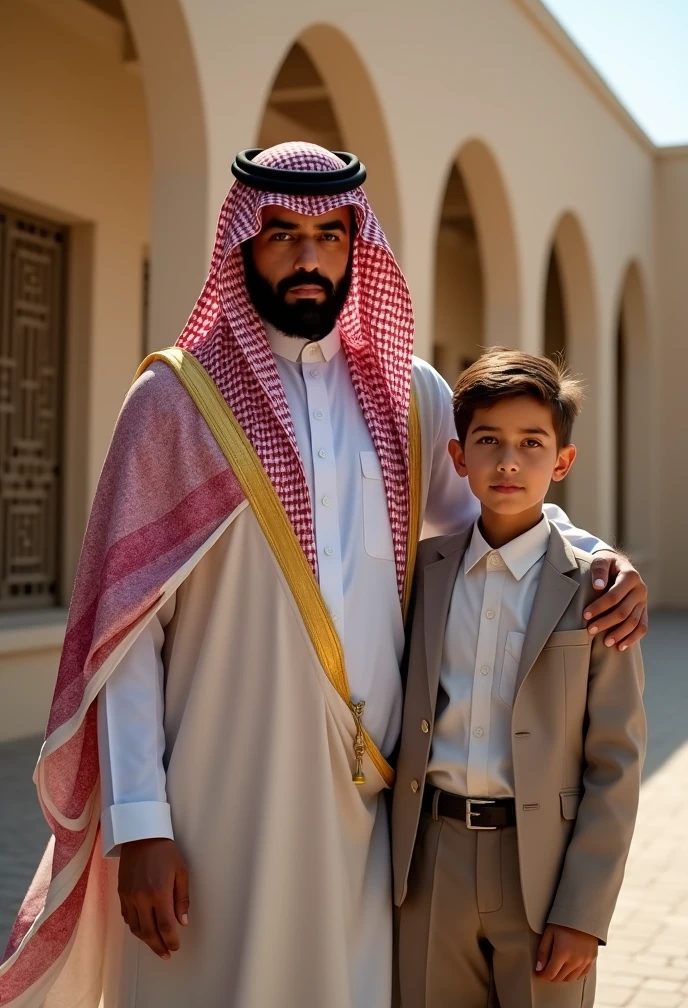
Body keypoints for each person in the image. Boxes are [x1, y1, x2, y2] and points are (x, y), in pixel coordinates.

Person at [0, 144, 647, 1008]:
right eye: (283, 234)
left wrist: (596, 556)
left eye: (330, 236)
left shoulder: (407, 395)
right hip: (212, 807)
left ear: (357, 247)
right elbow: (127, 634)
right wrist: (140, 825)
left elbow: (501, 518)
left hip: (367, 814)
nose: (309, 258)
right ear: (242, 243)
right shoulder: (174, 404)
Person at [392, 347, 646, 1008]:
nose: (508, 461)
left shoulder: (597, 588)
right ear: (458, 459)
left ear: (561, 462)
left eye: (532, 443)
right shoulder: (421, 573)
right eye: (488, 442)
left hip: (544, 874)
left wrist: (584, 910)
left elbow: (615, 761)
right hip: (430, 869)